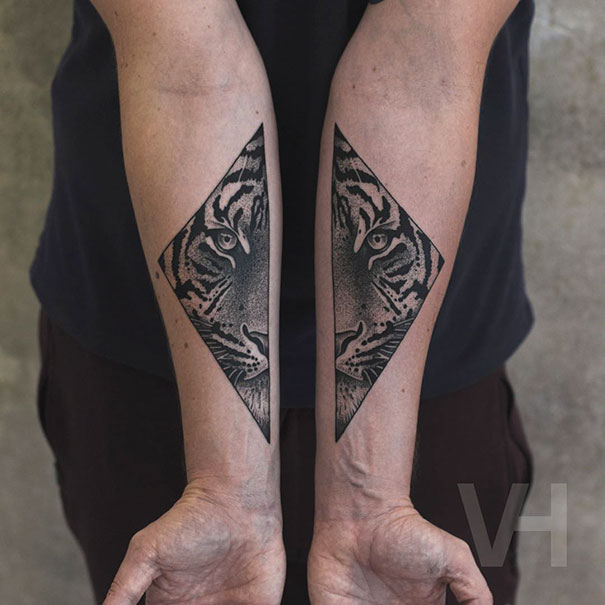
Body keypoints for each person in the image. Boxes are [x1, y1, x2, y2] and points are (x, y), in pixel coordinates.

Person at [31, 0, 535, 603]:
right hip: (146, 346)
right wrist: (224, 489)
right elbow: (186, 68)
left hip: (432, 364)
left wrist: (372, 500)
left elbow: (420, 66)